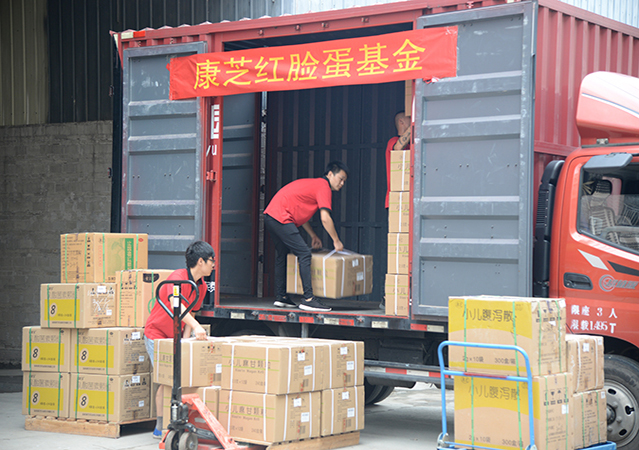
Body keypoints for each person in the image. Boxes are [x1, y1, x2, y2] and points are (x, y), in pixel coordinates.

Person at [144, 240, 215, 438]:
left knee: (178, 379)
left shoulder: (200, 286)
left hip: (175, 336)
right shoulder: (177, 278)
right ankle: (160, 427)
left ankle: (175, 422)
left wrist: (185, 339)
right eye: (211, 261)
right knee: (167, 380)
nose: (213, 265)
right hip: (157, 335)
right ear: (200, 261)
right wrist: (196, 327)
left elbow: (191, 311)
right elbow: (177, 305)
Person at [264, 161, 349, 312]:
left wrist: (313, 235)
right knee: (304, 253)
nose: (342, 183)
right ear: (330, 174)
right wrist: (336, 240)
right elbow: (325, 218)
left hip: (271, 216)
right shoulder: (323, 187)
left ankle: (281, 296)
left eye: (344, 181)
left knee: (282, 255)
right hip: (281, 216)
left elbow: (300, 214)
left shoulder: (314, 185)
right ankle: (309, 299)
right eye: (340, 179)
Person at [385, 111, 411, 208]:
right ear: (401, 121)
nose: (412, 119)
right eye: (409, 118)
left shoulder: (412, 145)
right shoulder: (393, 141)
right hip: (396, 199)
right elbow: (398, 148)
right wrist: (414, 125)